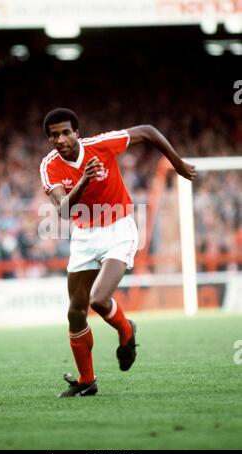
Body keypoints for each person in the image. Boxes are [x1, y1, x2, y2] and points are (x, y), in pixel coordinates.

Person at [40, 108, 196, 398]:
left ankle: (126, 331)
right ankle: (87, 381)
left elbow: (148, 130)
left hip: (119, 228)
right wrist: (85, 179)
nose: (60, 139)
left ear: (77, 132)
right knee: (75, 312)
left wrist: (176, 162)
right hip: (84, 234)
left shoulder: (101, 145)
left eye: (65, 132)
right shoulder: (49, 166)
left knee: (98, 299)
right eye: (54, 135)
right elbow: (63, 211)